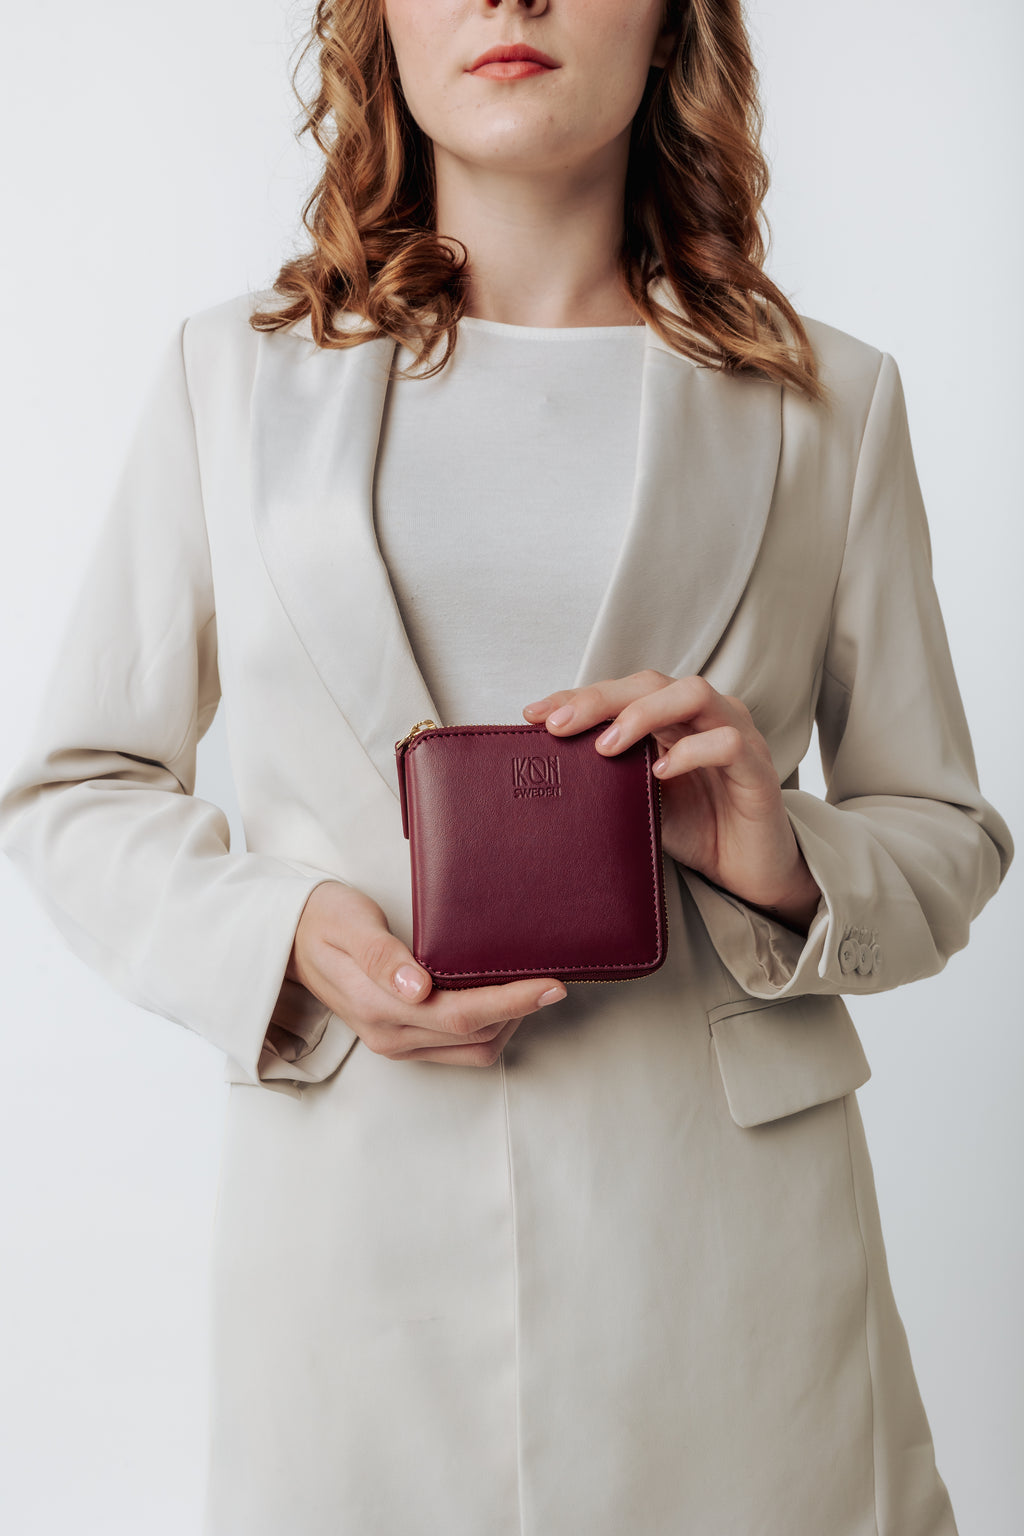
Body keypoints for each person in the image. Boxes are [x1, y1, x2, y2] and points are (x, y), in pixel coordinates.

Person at [0, 0, 1013, 1532]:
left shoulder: (831, 402)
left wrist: (781, 853)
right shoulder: (235, 378)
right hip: (354, 1270)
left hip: (734, 1289)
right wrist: (282, 934)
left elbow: (944, 832)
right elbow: (78, 784)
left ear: (677, 26)